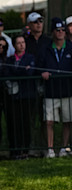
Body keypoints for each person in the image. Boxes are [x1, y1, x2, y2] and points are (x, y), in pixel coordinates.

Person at [36, 18, 72, 158]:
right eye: (58, 30)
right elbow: (38, 67)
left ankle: (64, 148)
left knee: (67, 121)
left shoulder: (70, 47)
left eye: (63, 30)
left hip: (67, 90)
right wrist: (41, 72)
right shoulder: (45, 48)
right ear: (52, 32)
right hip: (50, 91)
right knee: (49, 121)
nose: (61, 33)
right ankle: (50, 149)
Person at [5, 35, 37, 159]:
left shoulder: (30, 57)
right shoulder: (10, 60)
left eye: (23, 42)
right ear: (14, 45)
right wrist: (22, 70)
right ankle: (16, 150)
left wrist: (18, 70)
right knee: (15, 123)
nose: (21, 45)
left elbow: (30, 72)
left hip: (27, 95)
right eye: (18, 43)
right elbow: (8, 73)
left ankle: (25, 150)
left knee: (26, 123)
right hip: (14, 97)